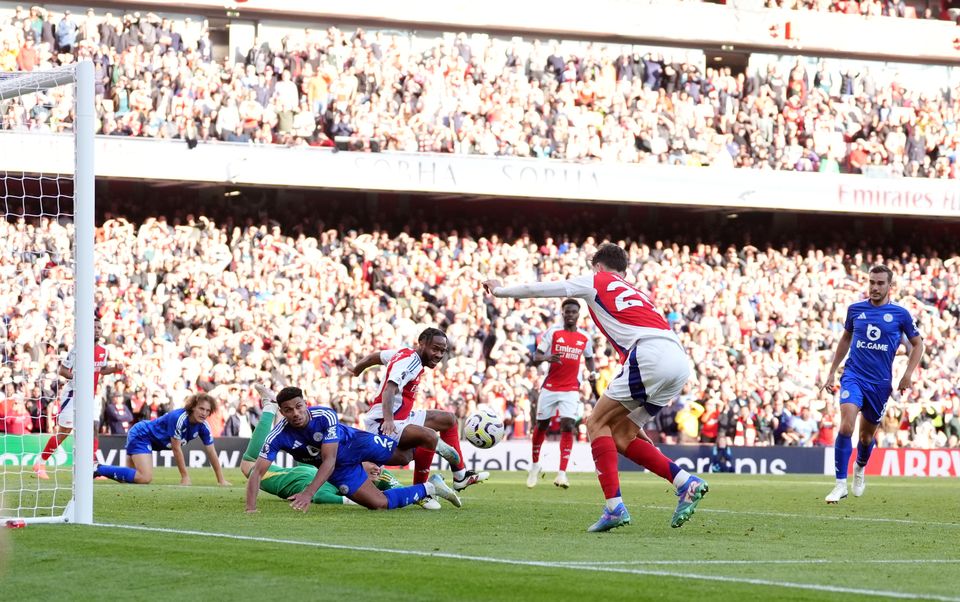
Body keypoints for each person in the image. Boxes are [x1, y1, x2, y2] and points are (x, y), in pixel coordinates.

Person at [484, 242, 708, 532]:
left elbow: (543, 288)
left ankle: (614, 507)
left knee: (595, 423)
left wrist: (501, 290)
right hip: (678, 361)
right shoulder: (639, 292)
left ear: (598, 266)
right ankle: (685, 482)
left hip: (648, 355)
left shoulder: (597, 280)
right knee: (623, 436)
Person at [245, 386, 462, 512]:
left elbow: (328, 459)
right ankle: (430, 488)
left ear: (306, 404)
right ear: (281, 412)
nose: (295, 413)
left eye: (299, 406)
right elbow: (257, 473)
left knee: (403, 457)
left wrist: (308, 493)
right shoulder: (278, 436)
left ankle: (431, 440)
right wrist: (251, 509)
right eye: (288, 410)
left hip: (355, 444)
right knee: (378, 504)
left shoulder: (325, 415)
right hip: (339, 470)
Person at [349, 327, 489, 510]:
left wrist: (357, 369)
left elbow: (374, 357)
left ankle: (460, 475)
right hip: (384, 422)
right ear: (421, 344)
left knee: (449, 420)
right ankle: (422, 491)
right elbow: (390, 389)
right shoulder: (409, 362)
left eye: (442, 351)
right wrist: (389, 420)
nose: (438, 354)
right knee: (427, 439)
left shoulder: (402, 354)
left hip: (403, 418)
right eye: (435, 349)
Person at [820, 265, 924, 503]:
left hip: (880, 384)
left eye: (880, 283)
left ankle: (860, 467)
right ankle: (839, 484)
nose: (875, 287)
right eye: (872, 282)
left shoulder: (901, 314)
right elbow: (845, 338)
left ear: (890, 286)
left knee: (866, 439)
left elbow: (917, 345)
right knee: (846, 426)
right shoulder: (855, 310)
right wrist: (832, 372)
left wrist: (907, 374)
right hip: (853, 375)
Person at [239, 385, 404, 506]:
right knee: (249, 464)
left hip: (309, 471)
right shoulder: (331, 485)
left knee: (310, 451)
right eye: (374, 467)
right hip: (305, 474)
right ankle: (270, 407)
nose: (377, 470)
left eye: (377, 470)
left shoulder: (347, 478)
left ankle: (271, 406)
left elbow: (387, 482)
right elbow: (321, 496)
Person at [34, 316, 122, 479]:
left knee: (93, 429)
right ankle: (41, 461)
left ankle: (93, 468)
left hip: (91, 396)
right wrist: (80, 376)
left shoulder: (103, 351)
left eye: (98, 328)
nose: (96, 330)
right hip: (74, 394)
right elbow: (63, 371)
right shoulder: (78, 349)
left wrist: (115, 369)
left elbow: (101, 370)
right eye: (94, 327)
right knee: (64, 432)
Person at [527, 298, 596, 489]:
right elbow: (536, 356)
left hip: (571, 389)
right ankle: (535, 466)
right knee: (541, 425)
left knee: (568, 425)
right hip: (550, 387)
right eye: (567, 312)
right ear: (562, 313)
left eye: (574, 312)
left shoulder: (585, 337)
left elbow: (590, 359)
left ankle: (562, 474)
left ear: (578, 314)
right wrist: (547, 357)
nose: (570, 315)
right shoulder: (554, 332)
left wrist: (592, 372)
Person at [93, 393, 231, 486]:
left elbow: (211, 452)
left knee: (132, 479)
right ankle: (97, 468)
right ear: (193, 407)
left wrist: (221, 479)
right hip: (142, 434)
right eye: (201, 409)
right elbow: (176, 449)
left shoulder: (204, 426)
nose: (204, 413)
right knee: (145, 477)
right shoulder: (179, 418)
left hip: (149, 440)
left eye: (208, 411)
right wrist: (185, 477)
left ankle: (97, 469)